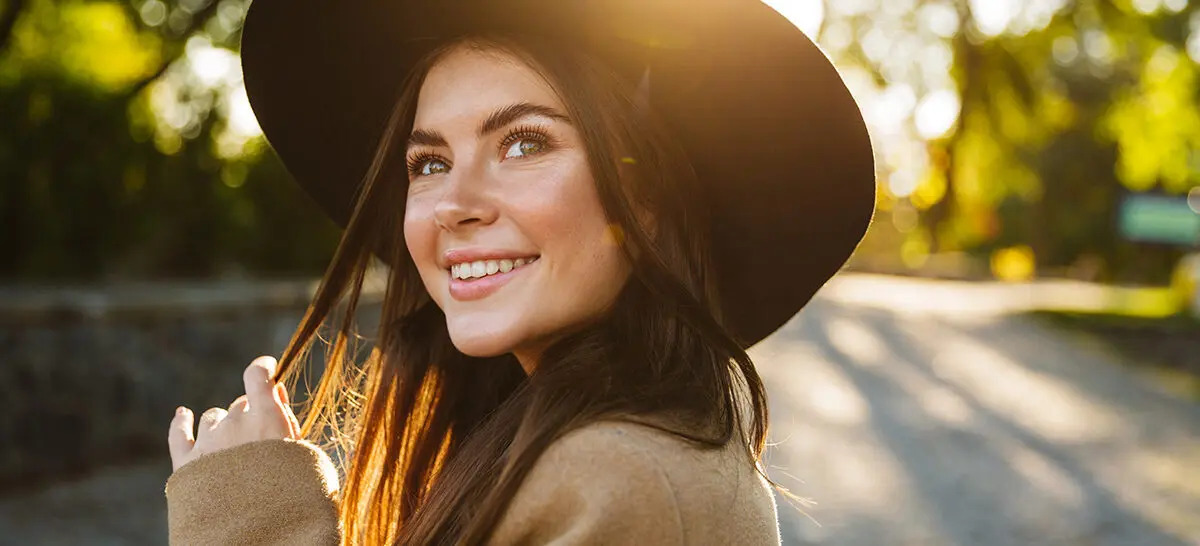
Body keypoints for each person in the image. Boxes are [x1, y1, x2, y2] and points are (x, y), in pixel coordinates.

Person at [162, 0, 875, 544]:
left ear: (650, 201)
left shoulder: (622, 482)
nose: (454, 206)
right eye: (430, 163)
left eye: (524, 143)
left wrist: (255, 515)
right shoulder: (593, 436)